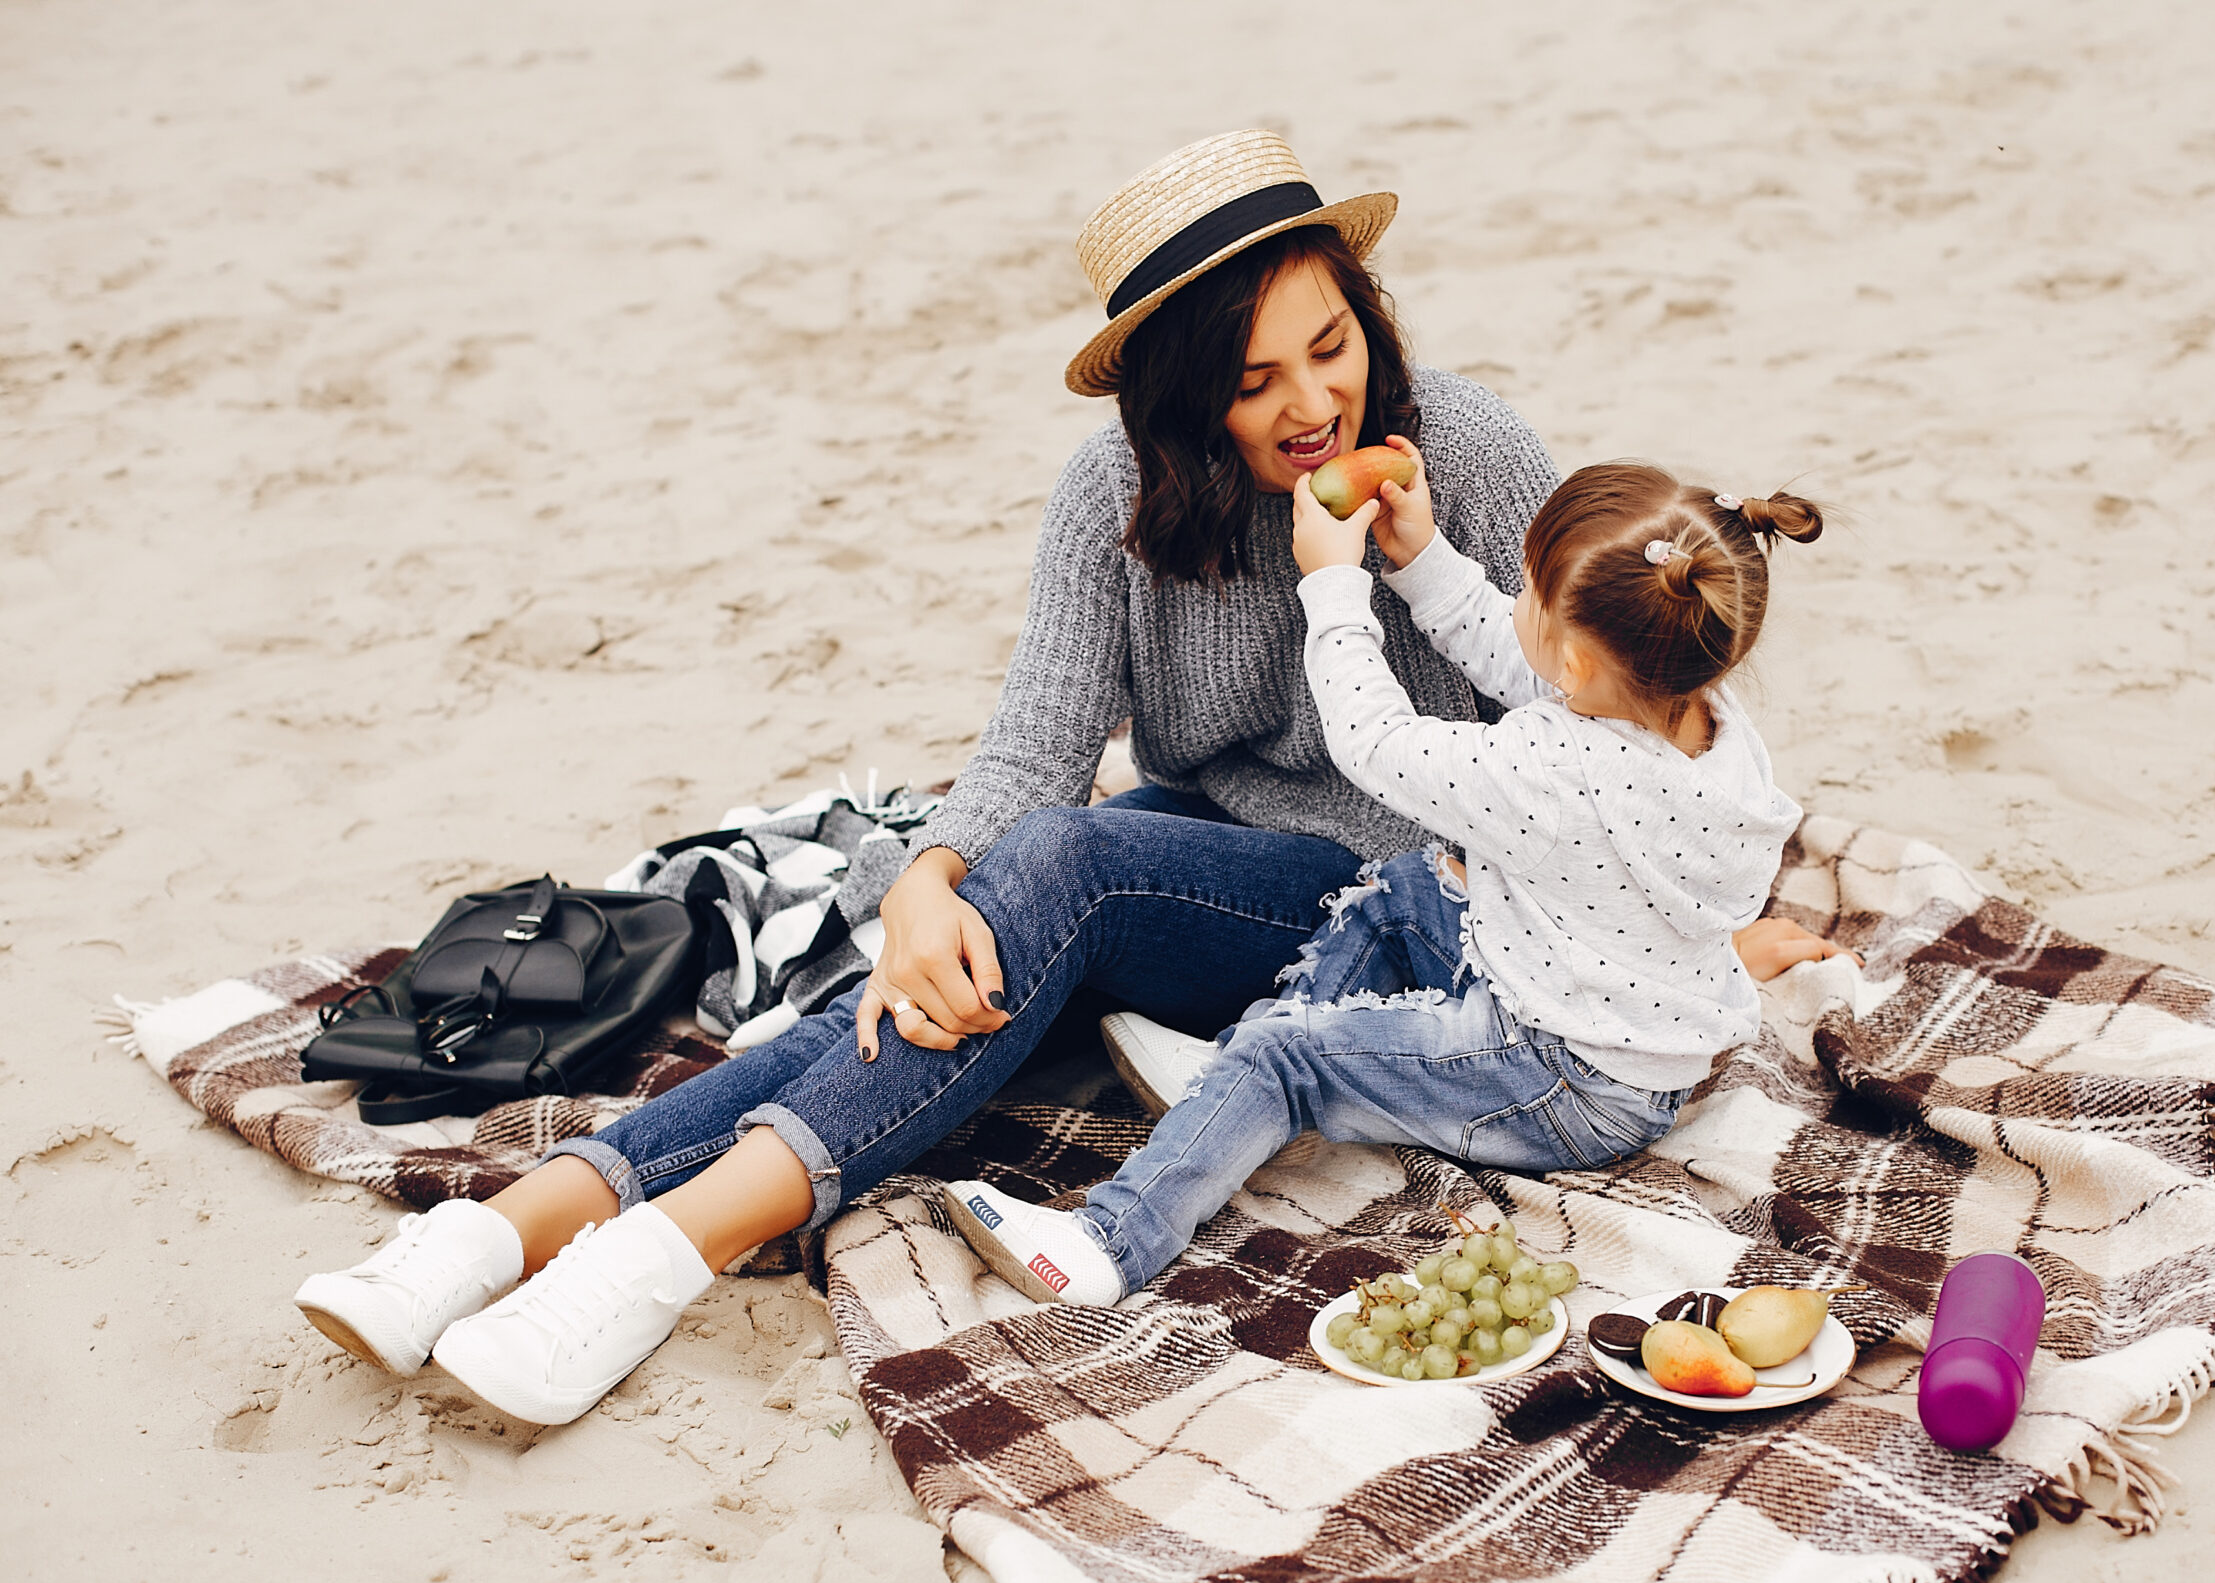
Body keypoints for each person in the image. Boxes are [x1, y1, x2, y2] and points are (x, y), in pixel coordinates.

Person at [290, 131, 1845, 1427]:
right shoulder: (1113, 495)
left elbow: (1624, 700)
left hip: (1404, 887)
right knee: (984, 918)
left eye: (1332, 345)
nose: (1314, 404)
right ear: (1176, 401)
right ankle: (517, 1226)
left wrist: (1708, 934)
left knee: (1069, 867)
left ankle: (655, 1252)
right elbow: (1039, 734)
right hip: (1211, 854)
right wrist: (921, 881)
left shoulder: (1472, 451)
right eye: (1255, 381)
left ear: (1369, 318)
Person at [944, 451, 1823, 1306]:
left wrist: (1332, 584)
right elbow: (1534, 663)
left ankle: (1108, 1243)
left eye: (1525, 592)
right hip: (1617, 1033)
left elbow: (1374, 741)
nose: (1513, 602)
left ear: (1578, 665)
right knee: (1404, 892)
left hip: (1557, 1075)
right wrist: (1423, 557)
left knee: (1284, 1058)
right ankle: (1223, 1091)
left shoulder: (1551, 768)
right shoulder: (1704, 715)